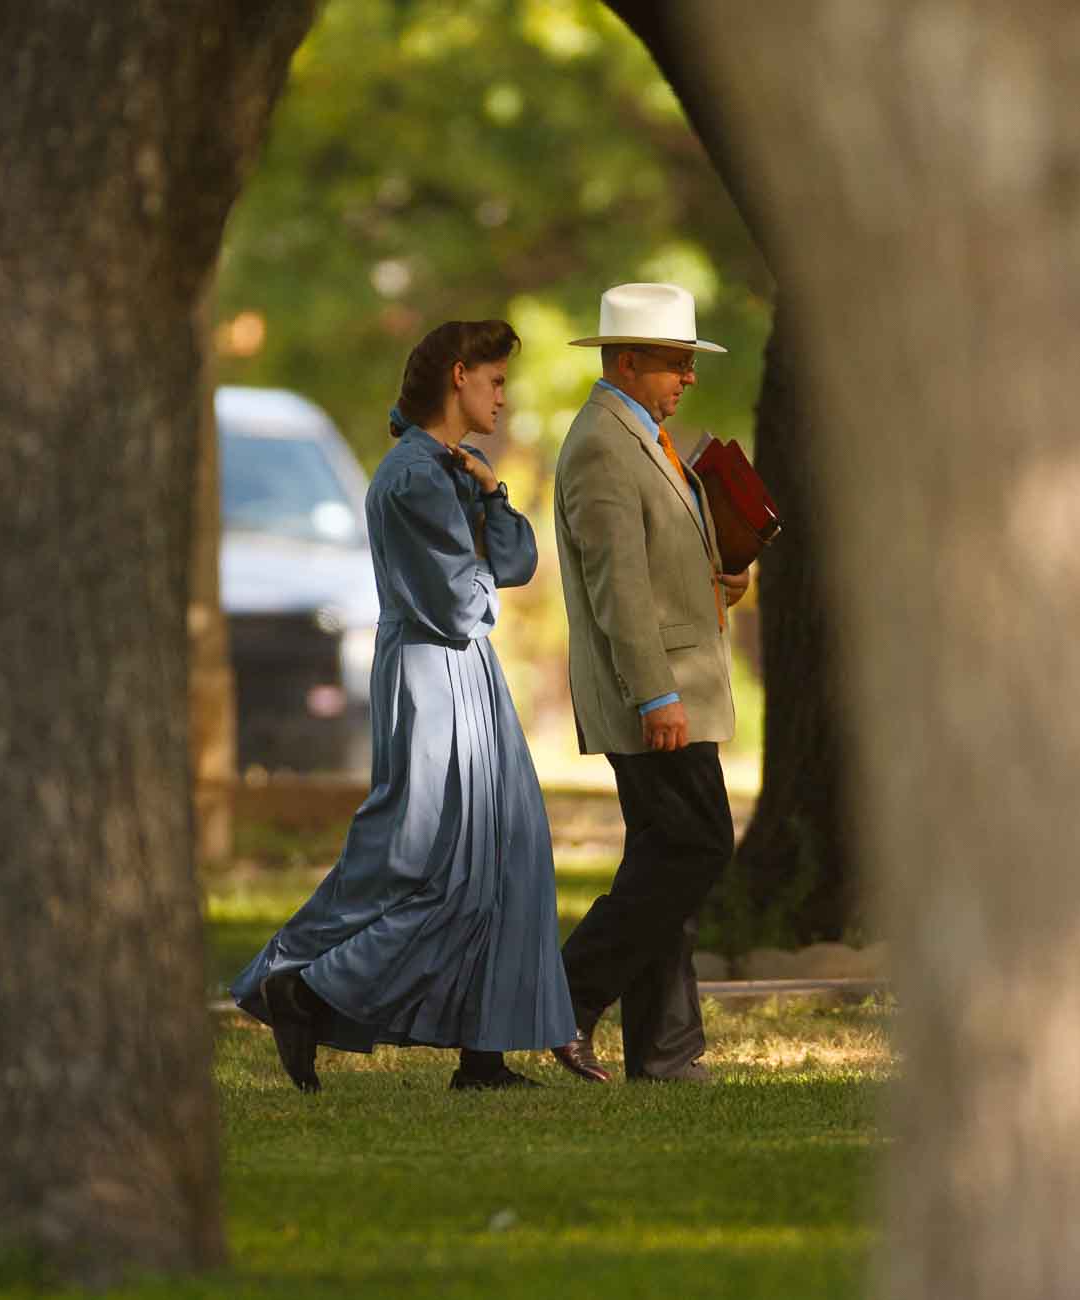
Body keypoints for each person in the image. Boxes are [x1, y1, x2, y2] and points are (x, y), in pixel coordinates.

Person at [229, 319, 576, 1092]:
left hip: (465, 676)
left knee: (501, 851)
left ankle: (482, 1055)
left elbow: (514, 563)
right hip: (432, 675)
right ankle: (299, 986)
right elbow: (458, 606)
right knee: (413, 857)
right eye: (494, 381)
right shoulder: (415, 477)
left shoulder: (454, 471)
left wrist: (494, 493)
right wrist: (482, 575)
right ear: (458, 376)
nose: (502, 396)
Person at [549, 283, 751, 1084]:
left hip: (674, 685)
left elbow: (652, 564)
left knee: (667, 854)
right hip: (654, 695)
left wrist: (714, 579)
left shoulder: (642, 436)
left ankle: (666, 1052)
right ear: (626, 362)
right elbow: (616, 587)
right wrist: (655, 694)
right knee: (696, 846)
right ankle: (566, 995)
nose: (688, 378)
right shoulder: (602, 444)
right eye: (675, 363)